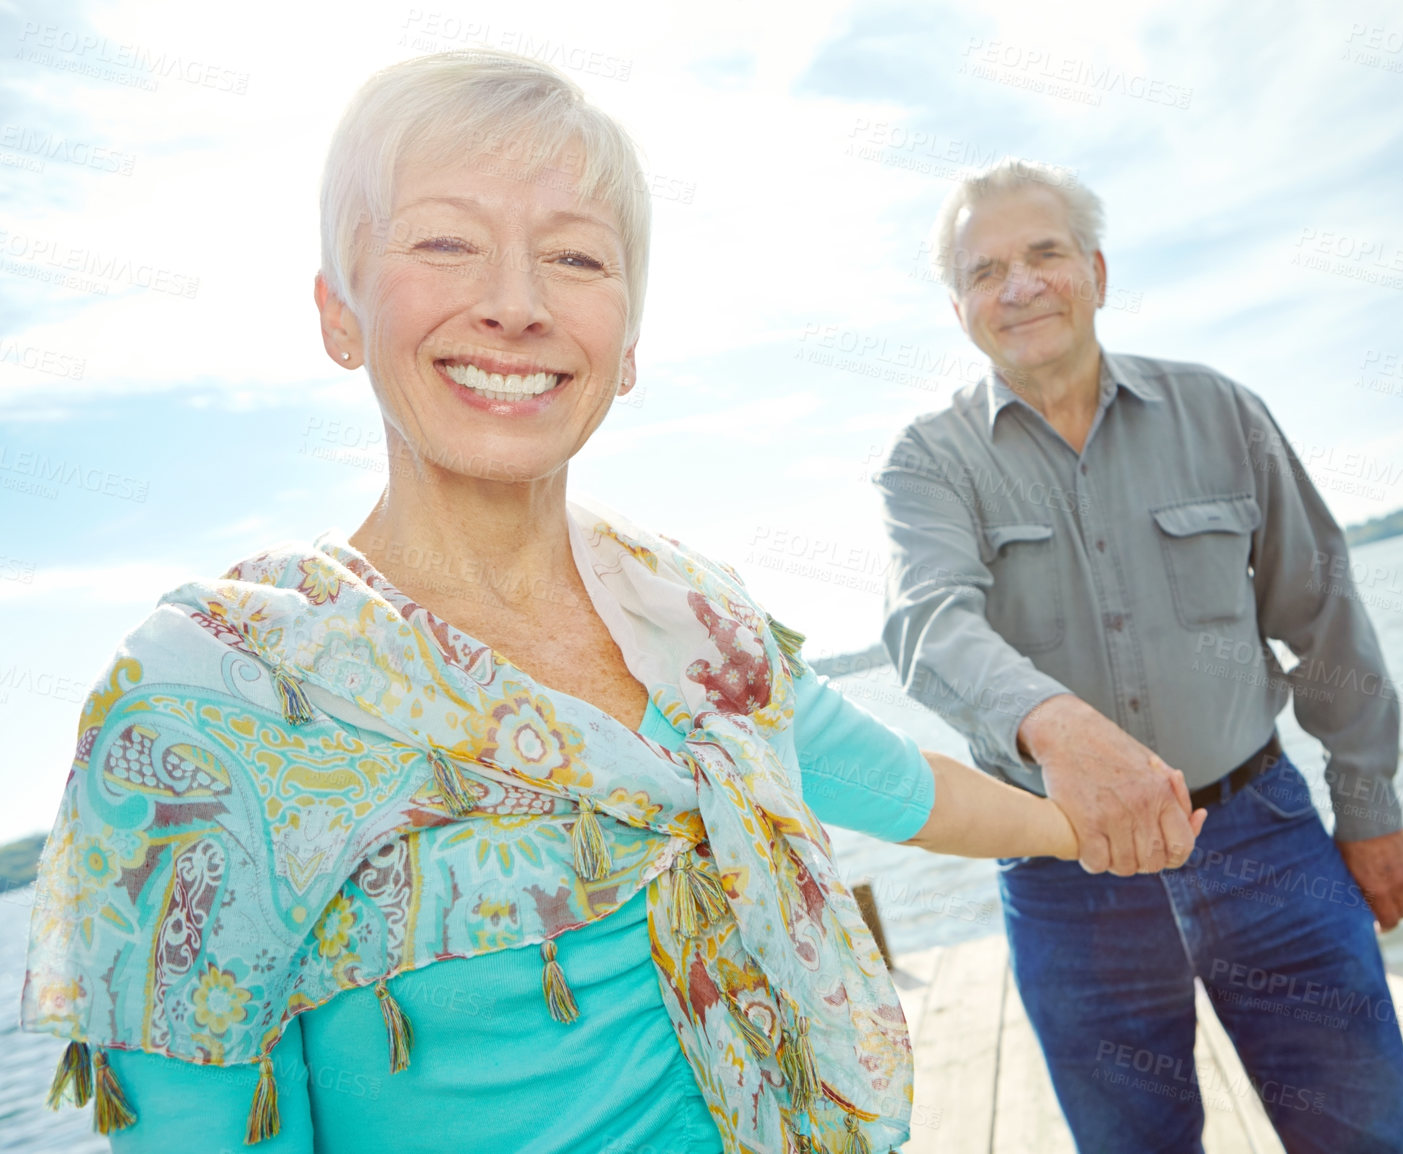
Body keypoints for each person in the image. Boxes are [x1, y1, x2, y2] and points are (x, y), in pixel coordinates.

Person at [19, 55, 1122, 1154]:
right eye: (445, 241)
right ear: (337, 310)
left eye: (574, 256)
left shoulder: (694, 618)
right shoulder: (215, 702)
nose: (514, 304)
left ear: (629, 344)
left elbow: (889, 784)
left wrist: (1103, 827)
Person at [872, 158, 1403, 1153]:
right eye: (985, 268)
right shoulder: (928, 460)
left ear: (1095, 269)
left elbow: (1324, 615)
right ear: (958, 305)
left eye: (1044, 253)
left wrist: (1370, 809)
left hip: (1265, 839)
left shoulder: (1220, 411)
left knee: (1368, 1136)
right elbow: (925, 623)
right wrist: (1066, 729)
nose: (1019, 284)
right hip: (1063, 868)